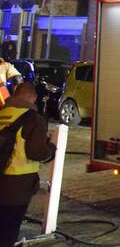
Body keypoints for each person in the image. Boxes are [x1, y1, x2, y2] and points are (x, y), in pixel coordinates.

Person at [0, 82, 56, 247]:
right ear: (34, 98)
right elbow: (37, 152)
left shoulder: (3, 113)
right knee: (8, 232)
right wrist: (51, 147)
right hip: (17, 186)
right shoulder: (34, 120)